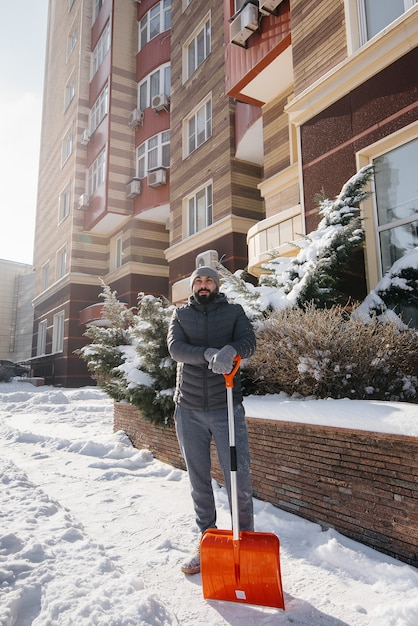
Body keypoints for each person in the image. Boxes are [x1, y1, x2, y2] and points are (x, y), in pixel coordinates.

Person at [167, 265, 256, 575]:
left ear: (216, 285)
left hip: (226, 407)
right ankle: (207, 541)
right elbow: (175, 349)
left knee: (238, 479)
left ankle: (244, 542)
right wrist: (208, 354)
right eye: (199, 281)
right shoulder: (180, 315)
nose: (204, 285)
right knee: (199, 480)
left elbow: (249, 342)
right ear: (193, 286)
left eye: (209, 281)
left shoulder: (234, 311)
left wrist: (231, 349)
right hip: (188, 409)